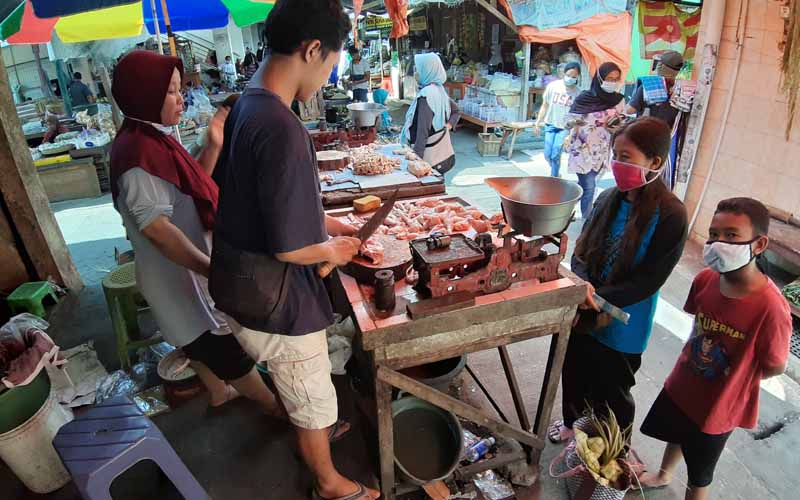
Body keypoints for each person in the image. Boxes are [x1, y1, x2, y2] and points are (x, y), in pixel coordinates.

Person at [210, 1, 379, 499]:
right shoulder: (281, 126)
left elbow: (263, 202)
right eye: (331, 64)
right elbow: (290, 247)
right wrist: (337, 248)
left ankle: (315, 437)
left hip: (238, 278)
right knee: (312, 396)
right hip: (269, 294)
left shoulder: (248, 103)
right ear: (311, 50)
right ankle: (328, 482)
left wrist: (329, 222)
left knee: (302, 386)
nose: (328, 77)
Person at [109, 51, 281, 416]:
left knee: (193, 339)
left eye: (178, 89)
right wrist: (209, 268)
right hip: (176, 274)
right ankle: (275, 408)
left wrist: (213, 145)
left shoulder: (153, 138)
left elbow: (190, 190)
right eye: (171, 92)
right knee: (218, 344)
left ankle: (218, 393)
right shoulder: (136, 159)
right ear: (145, 95)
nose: (181, 97)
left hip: (183, 268)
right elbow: (157, 230)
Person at [637, 198, 791, 500]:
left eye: (731, 235)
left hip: (719, 405)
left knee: (700, 473)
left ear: (759, 244)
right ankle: (664, 474)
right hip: (683, 384)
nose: (718, 242)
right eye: (713, 234)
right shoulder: (705, 279)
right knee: (676, 433)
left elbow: (776, 365)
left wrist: (738, 378)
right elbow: (698, 322)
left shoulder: (770, 308)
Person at [549, 117, 688, 445]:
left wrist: (598, 298)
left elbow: (649, 280)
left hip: (625, 323)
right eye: (615, 154)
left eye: (626, 157)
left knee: (612, 391)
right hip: (584, 307)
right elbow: (582, 249)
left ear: (653, 162)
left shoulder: (671, 214)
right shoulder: (607, 198)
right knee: (575, 372)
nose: (616, 163)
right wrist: (582, 286)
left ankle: (613, 451)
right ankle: (573, 424)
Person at [565, 62, 626, 218]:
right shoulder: (584, 98)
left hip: (602, 151)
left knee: (587, 186)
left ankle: (566, 206)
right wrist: (574, 123)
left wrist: (616, 129)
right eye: (609, 78)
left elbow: (622, 124)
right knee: (589, 186)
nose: (612, 82)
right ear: (599, 78)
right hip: (582, 149)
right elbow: (567, 121)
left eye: (616, 79)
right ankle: (587, 220)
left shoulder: (619, 100)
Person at [399, 53, 460, 175]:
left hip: (429, 157)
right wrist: (447, 126)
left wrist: (417, 161)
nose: (415, 73)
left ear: (427, 70)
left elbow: (422, 132)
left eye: (418, 69)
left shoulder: (426, 95)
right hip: (440, 154)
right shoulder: (439, 89)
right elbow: (456, 112)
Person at [533, 61, 582, 177]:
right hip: (550, 124)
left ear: (578, 77)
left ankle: (554, 177)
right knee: (547, 154)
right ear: (564, 73)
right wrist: (537, 122)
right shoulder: (553, 87)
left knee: (556, 154)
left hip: (565, 127)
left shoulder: (578, 94)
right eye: (569, 75)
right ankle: (555, 171)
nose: (570, 78)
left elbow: (577, 117)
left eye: (574, 76)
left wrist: (571, 135)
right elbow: (545, 105)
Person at [627, 50, 684, 127]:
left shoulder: (648, 85)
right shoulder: (682, 90)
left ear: (661, 66)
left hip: (645, 130)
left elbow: (630, 110)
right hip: (665, 134)